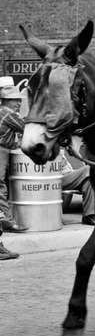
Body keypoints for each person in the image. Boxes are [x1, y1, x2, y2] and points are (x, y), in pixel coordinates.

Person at [0, 80, 28, 234]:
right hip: (1, 150)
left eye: (19, 100)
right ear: (6, 101)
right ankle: (8, 222)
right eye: (15, 100)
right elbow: (25, 127)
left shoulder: (2, 112)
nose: (18, 103)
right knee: (0, 187)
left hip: (4, 149)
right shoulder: (8, 113)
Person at [60, 154, 95, 226]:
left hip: (67, 175)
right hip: (55, 179)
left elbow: (66, 168)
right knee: (88, 169)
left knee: (88, 181)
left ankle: (88, 215)